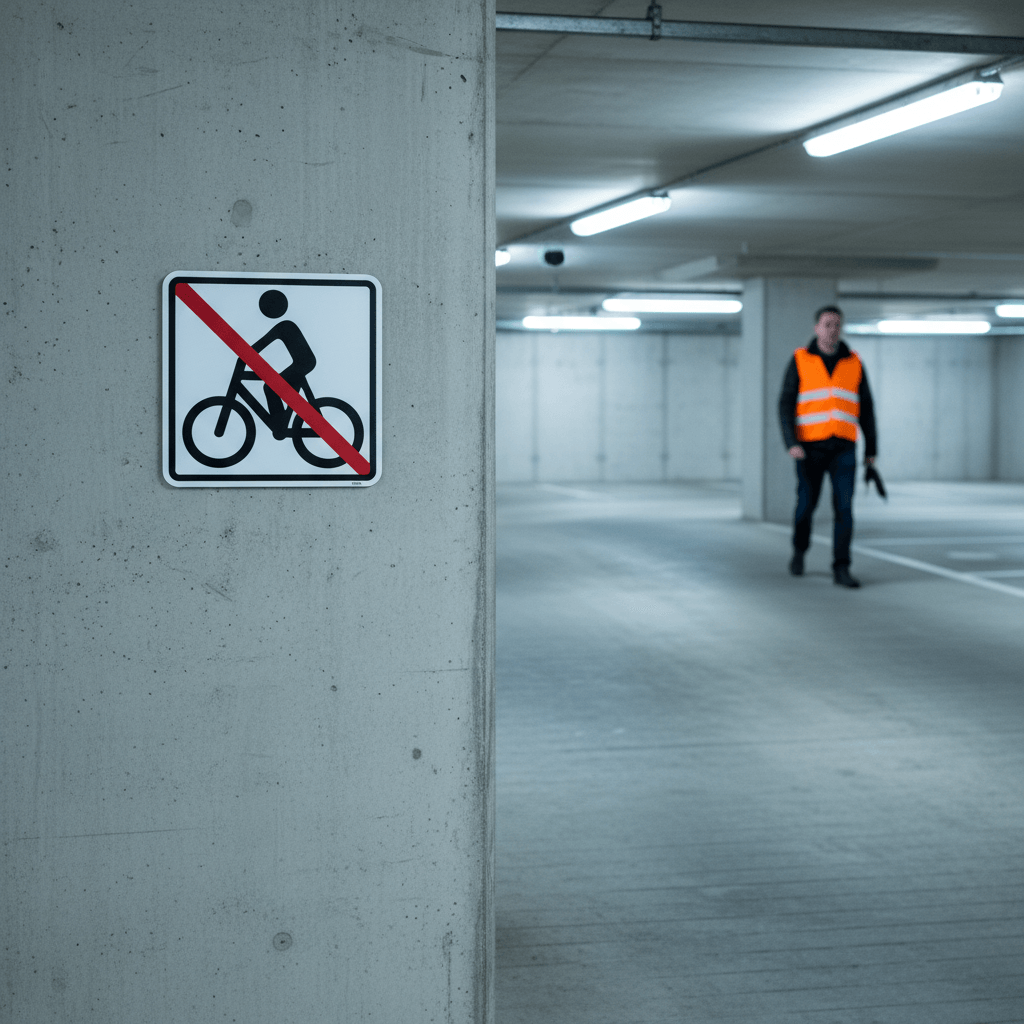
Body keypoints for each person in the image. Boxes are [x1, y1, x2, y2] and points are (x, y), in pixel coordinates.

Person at [778, 305, 877, 588]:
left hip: (844, 447)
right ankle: (799, 550)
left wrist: (871, 451)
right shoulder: (800, 360)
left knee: (844, 509)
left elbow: (867, 410)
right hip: (809, 448)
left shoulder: (854, 363)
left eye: (837, 324)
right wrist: (791, 442)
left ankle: (841, 567)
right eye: (827, 324)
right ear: (816, 328)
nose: (832, 329)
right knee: (806, 506)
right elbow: (785, 403)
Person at [251, 289, 317, 439]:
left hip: (304, 363)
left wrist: (245, 355)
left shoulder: (285, 326)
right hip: (303, 362)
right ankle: (281, 423)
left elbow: (262, 343)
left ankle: (280, 425)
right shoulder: (285, 325)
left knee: (270, 387)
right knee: (272, 387)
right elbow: (262, 343)